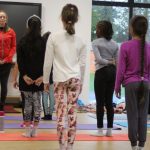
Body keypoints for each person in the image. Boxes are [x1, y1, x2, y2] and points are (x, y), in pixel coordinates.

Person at [43, 4, 86, 150]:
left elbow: (47, 62)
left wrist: (44, 81)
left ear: (61, 18)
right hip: (75, 79)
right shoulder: (81, 40)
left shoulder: (53, 37)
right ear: (76, 19)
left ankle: (62, 147)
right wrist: (82, 82)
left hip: (60, 80)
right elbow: (83, 65)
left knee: (60, 114)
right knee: (72, 114)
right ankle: (70, 147)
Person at [115, 15, 150, 150]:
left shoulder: (125, 46)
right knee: (143, 115)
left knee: (132, 115)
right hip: (145, 84)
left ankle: (134, 145)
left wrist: (117, 86)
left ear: (131, 29)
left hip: (130, 84)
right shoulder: (149, 47)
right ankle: (141, 145)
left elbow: (121, 69)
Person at [17, 15, 45, 137]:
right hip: (39, 78)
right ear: (40, 27)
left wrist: (24, 75)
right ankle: (35, 130)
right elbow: (47, 61)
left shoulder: (22, 41)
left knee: (27, 104)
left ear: (27, 26)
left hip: (26, 78)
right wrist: (43, 76)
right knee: (37, 104)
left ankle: (28, 131)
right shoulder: (44, 42)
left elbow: (20, 60)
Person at [92, 20, 118, 137]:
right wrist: (111, 62)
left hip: (102, 72)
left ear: (100, 30)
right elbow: (116, 61)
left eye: (97, 28)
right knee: (109, 101)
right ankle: (110, 130)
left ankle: (100, 130)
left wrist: (107, 62)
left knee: (100, 102)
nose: (96, 30)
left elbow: (98, 59)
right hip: (112, 72)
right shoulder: (115, 44)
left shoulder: (96, 42)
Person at [0, 10, 16, 111]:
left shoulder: (11, 31)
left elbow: (13, 47)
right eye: (0, 17)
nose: (2, 19)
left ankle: (1, 106)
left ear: (6, 19)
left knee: (4, 85)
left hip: (6, 64)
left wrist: (6, 59)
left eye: (3, 17)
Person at [41, 31, 54, 121]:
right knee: (52, 96)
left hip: (45, 75)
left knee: (45, 95)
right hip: (53, 75)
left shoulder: (42, 50)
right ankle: (50, 114)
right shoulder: (54, 49)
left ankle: (46, 115)